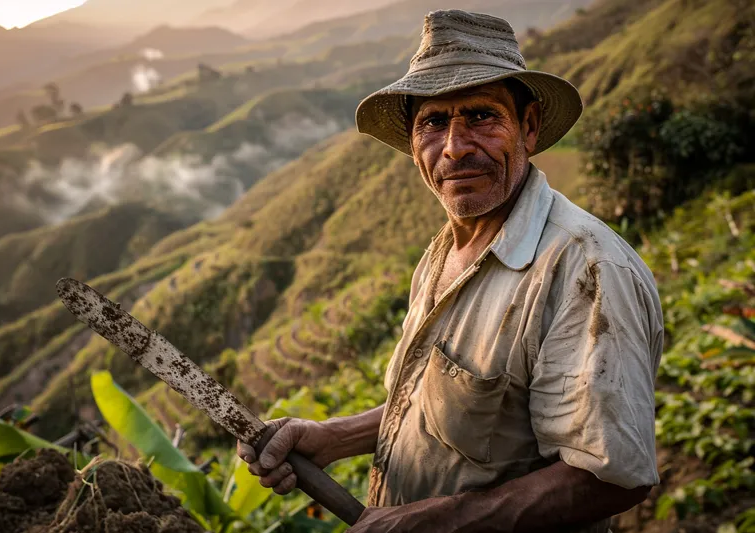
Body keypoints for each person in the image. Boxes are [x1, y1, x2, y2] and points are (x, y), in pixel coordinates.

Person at [237, 9, 664, 532]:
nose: (455, 147)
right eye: (433, 123)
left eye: (481, 116)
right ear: (414, 145)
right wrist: (333, 437)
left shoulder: (584, 270)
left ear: (527, 127)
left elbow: (612, 476)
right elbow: (444, 405)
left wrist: (434, 523)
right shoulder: (445, 252)